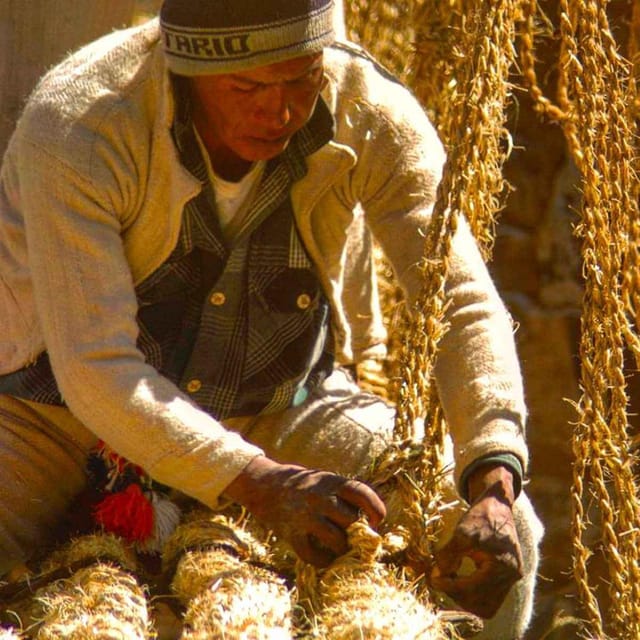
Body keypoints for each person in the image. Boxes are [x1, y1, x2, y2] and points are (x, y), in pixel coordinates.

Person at [0, 0, 543, 636]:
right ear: (181, 69)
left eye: (300, 78)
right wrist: (260, 483)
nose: (278, 111)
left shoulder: (368, 109)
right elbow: (95, 368)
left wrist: (493, 476)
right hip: (51, 417)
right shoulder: (82, 123)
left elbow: (458, 298)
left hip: (277, 408)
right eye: (247, 86)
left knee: (509, 537)